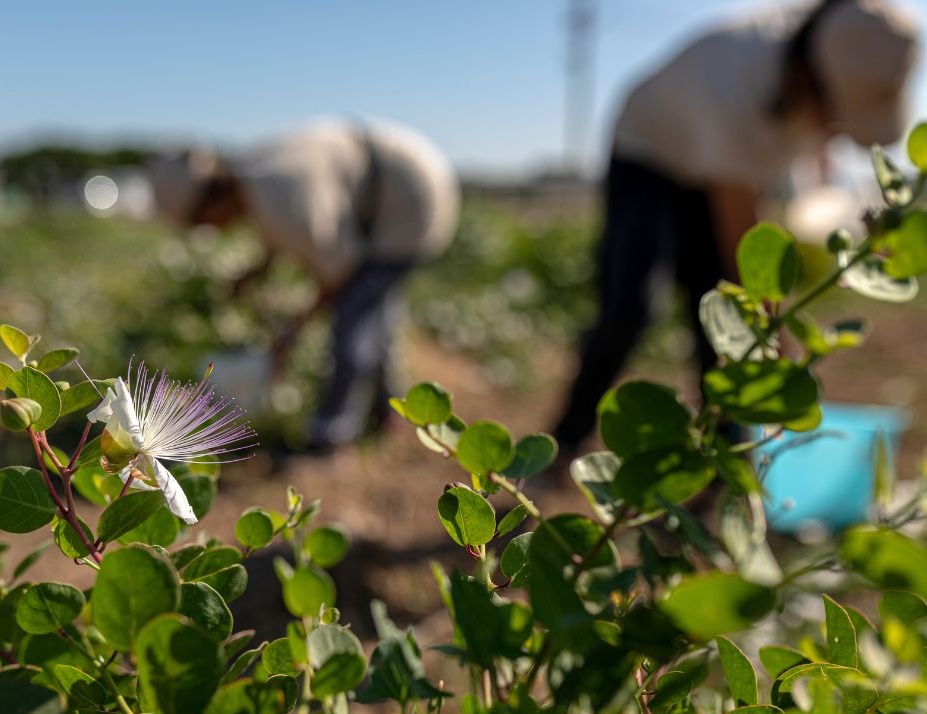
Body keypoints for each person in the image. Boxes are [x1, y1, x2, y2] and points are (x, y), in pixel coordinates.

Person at [551, 0, 919, 454]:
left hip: (720, 158)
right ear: (808, 78)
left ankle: (722, 460)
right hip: (648, 152)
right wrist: (776, 332)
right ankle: (566, 438)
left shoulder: (832, 54)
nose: (835, 128)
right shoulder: (738, 79)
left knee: (720, 315)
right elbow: (746, 243)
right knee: (633, 303)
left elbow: (795, 146)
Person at [148, 118, 460, 452]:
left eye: (200, 222)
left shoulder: (280, 195)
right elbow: (285, 233)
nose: (211, 229)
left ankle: (330, 435)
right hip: (392, 186)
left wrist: (289, 335)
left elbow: (339, 274)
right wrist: (256, 272)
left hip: (414, 201)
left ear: (210, 202)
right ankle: (390, 413)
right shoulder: (254, 177)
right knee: (373, 321)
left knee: (352, 327)